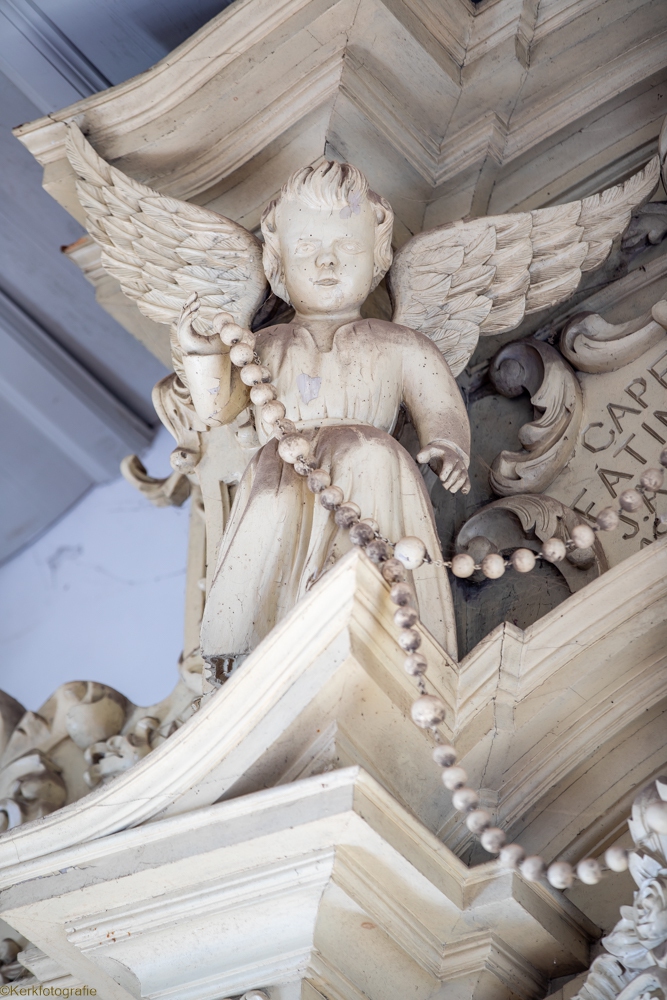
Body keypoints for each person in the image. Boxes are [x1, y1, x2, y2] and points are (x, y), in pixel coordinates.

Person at [176, 161, 471, 675]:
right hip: (281, 471)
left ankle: (360, 605)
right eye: (307, 248)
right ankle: (257, 631)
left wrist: (447, 445)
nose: (327, 261)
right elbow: (217, 409)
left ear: (378, 260)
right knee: (273, 519)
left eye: (348, 246)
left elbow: (439, 404)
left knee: (367, 459)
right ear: (279, 265)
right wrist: (201, 353)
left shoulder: (400, 343)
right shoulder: (264, 344)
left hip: (370, 465)